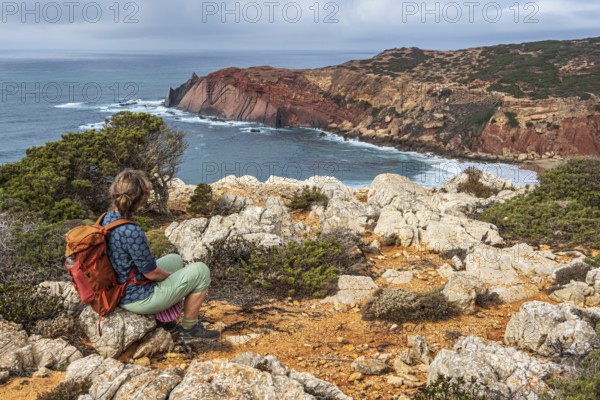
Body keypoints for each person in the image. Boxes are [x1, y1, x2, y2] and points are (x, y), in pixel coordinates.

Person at [100, 169, 219, 340]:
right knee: (201, 271)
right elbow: (151, 273)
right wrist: (171, 278)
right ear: (141, 199)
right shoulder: (132, 231)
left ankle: (166, 322)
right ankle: (190, 329)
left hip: (121, 286)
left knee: (175, 259)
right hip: (137, 298)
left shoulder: (108, 219)